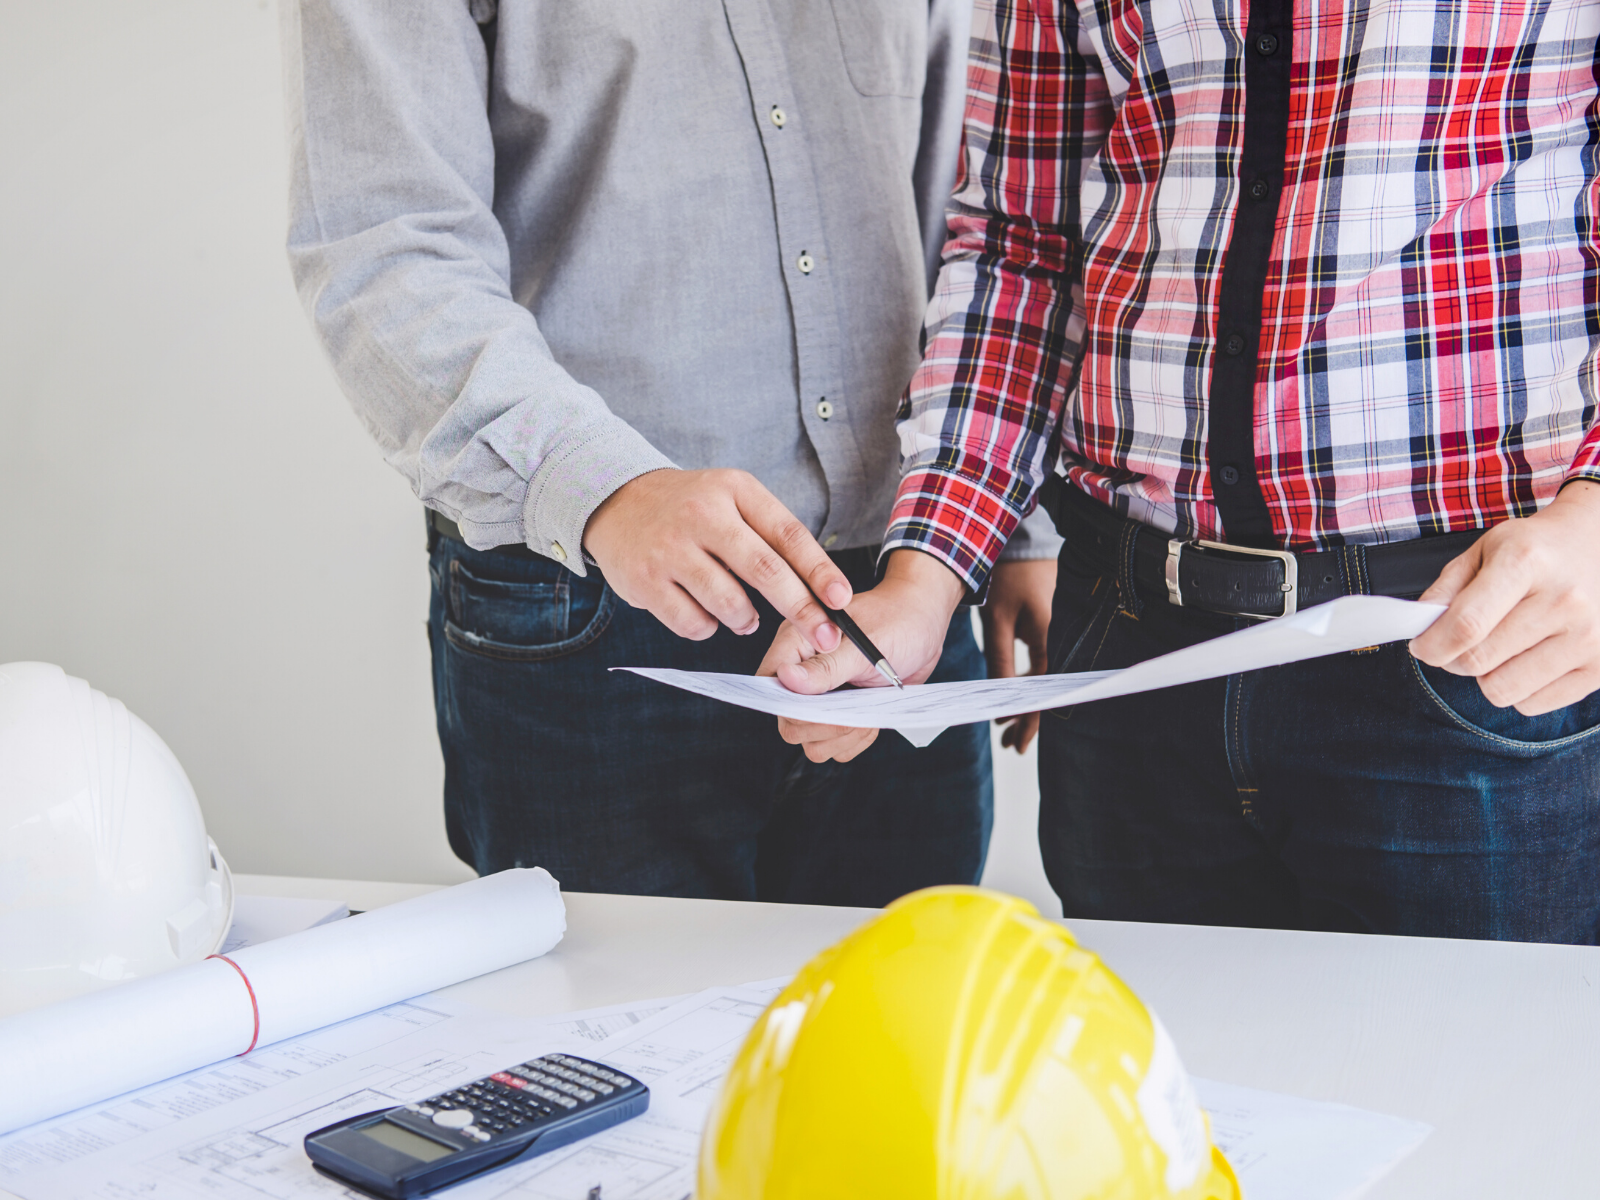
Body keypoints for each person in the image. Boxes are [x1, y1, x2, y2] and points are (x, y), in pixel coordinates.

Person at [766, 0, 1600, 941]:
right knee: (1153, 1085)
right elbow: (1019, 246)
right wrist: (922, 581)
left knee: (1461, 1087)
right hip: (1130, 661)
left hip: (1467, 651)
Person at [281, 0, 1059, 903]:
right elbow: (383, 244)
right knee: (612, 1029)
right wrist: (609, 486)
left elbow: (968, 203)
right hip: (584, 609)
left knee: (901, 1025)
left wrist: (1019, 526)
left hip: (897, 594)